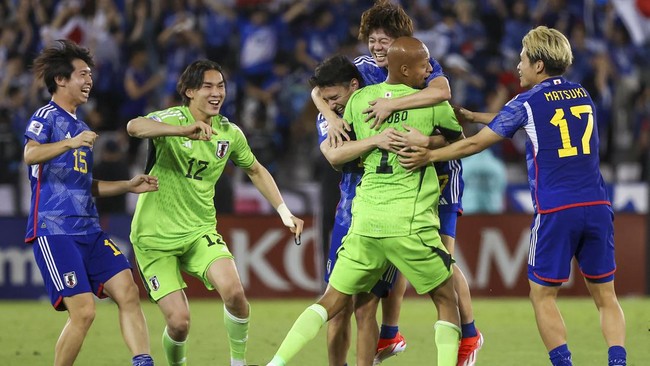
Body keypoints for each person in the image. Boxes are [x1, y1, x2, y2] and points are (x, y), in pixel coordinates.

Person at [397, 26, 628, 366]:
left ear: (538, 65)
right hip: (597, 205)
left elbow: (477, 143)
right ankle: (618, 361)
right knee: (606, 296)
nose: (518, 66)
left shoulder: (528, 101)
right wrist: (477, 117)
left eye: (521, 59)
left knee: (542, 295)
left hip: (556, 210)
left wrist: (429, 155)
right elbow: (541, 123)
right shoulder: (581, 94)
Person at [267, 36, 462, 366]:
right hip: (407, 223)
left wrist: (348, 124)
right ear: (405, 68)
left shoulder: (359, 102)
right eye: (423, 66)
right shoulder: (428, 102)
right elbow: (460, 141)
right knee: (446, 299)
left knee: (331, 301)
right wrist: (427, 146)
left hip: (364, 222)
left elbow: (333, 153)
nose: (429, 70)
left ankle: (275, 363)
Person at [311, 1, 483, 364]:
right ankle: (390, 333)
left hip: (436, 173)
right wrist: (328, 111)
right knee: (395, 254)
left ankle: (469, 334)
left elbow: (443, 95)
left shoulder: (420, 64)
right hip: (388, 184)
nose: (378, 48)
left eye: (386, 40)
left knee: (442, 258)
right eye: (373, 40)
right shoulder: (358, 71)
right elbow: (318, 89)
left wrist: (392, 110)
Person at [127, 59, 304, 366]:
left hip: (199, 232)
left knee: (235, 294)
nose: (216, 93)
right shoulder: (171, 118)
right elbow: (134, 126)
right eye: (207, 86)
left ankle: (238, 362)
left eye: (220, 86)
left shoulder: (229, 133)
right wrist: (182, 130)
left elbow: (256, 170)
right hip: (154, 237)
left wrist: (284, 212)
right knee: (180, 323)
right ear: (189, 91)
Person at [24, 39, 156, 366]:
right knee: (83, 312)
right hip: (55, 230)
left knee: (127, 290)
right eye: (82, 74)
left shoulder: (81, 128)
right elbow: (30, 154)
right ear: (60, 80)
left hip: (90, 230)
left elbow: (85, 187)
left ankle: (143, 362)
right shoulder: (47, 116)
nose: (89, 81)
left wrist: (127, 185)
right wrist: (69, 143)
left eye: (90, 75)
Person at [311, 54, 398, 366]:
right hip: (350, 215)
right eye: (324, 99)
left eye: (334, 97)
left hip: (388, 213)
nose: (330, 104)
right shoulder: (329, 118)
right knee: (338, 307)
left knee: (366, 306)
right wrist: (377, 140)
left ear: (354, 85)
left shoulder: (383, 102)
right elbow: (334, 156)